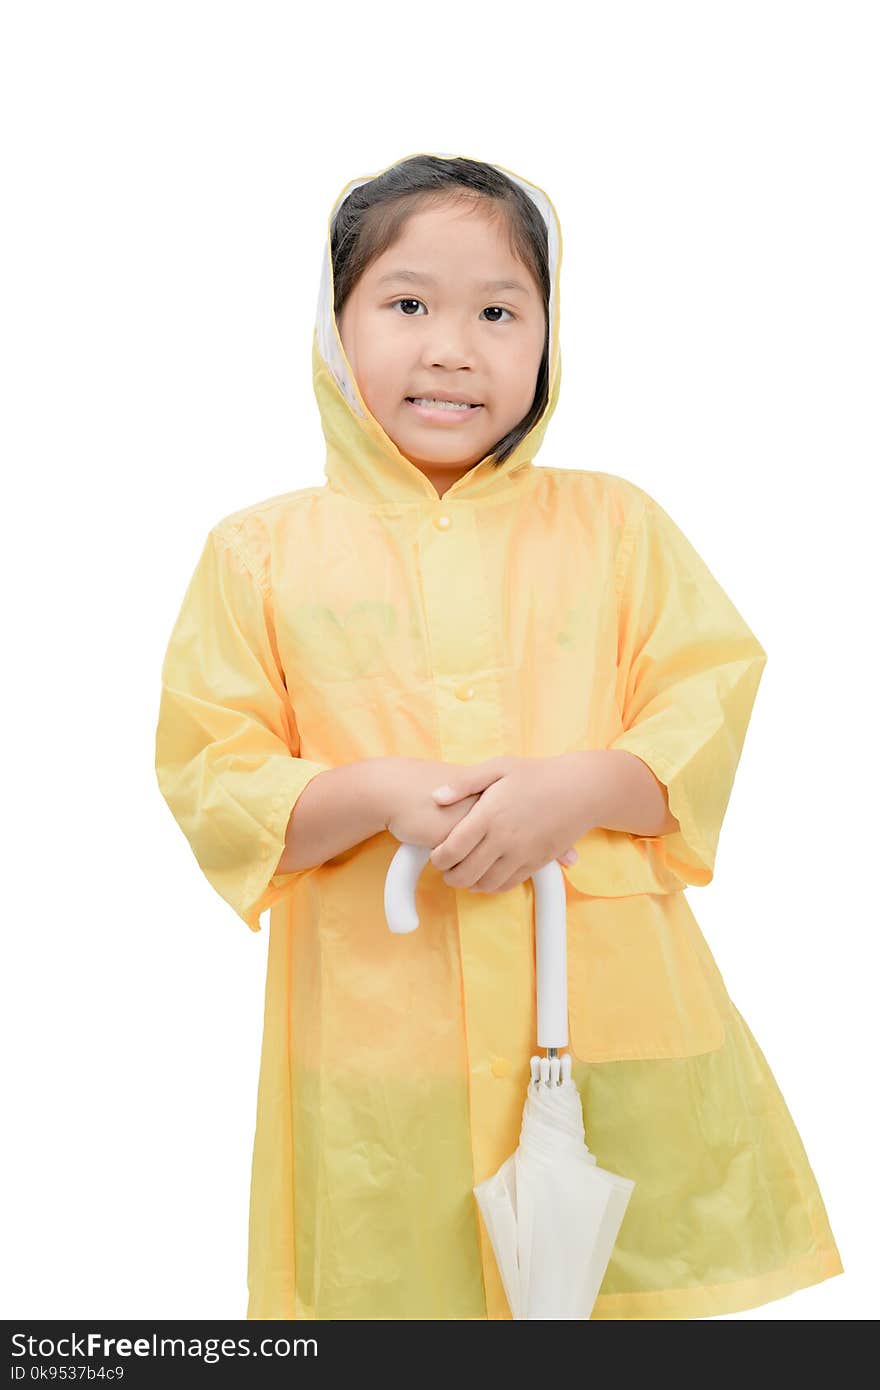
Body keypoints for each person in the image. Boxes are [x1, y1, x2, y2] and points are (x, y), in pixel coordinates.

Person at [154, 151, 843, 1320]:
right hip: (384, 1060)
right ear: (335, 327)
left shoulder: (616, 526)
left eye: (497, 310)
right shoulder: (258, 554)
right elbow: (214, 769)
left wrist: (579, 789)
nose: (450, 347)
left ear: (547, 337)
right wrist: (373, 791)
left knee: (613, 1305)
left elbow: (705, 696)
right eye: (407, 302)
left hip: (611, 1027)